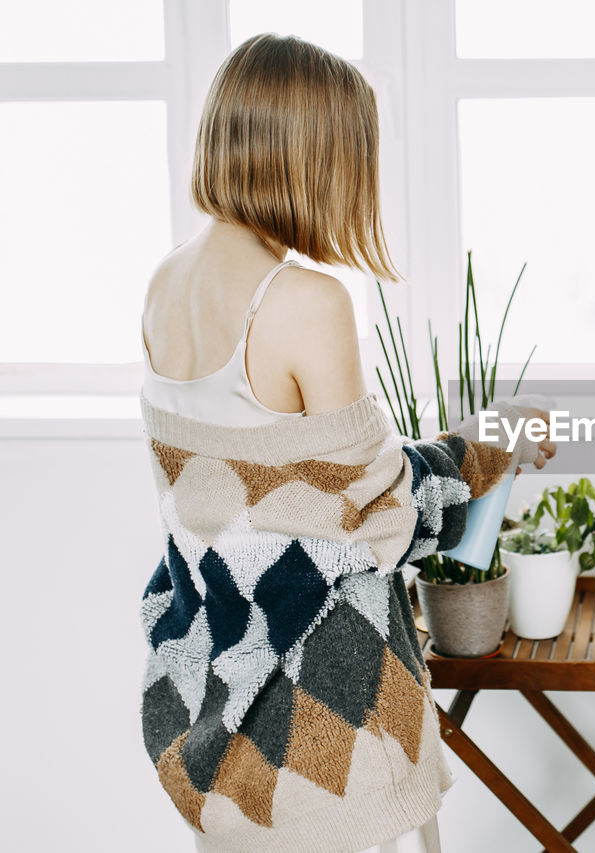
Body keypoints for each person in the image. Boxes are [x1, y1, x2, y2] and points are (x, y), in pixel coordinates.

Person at [137, 33, 554, 853]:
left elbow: (257, 506)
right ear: (314, 158)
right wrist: (494, 437)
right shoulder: (301, 300)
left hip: (217, 720)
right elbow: (383, 513)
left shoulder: (165, 284)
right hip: (321, 726)